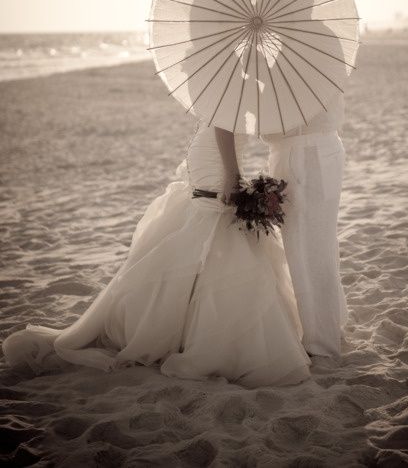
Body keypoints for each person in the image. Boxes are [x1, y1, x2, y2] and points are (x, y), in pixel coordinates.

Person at [2, 119, 312, 388]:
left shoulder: (224, 81)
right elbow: (223, 125)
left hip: (208, 153)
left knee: (210, 232)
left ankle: (183, 328)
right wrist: (233, 176)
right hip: (216, 157)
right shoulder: (232, 85)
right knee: (215, 224)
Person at [260, 91, 348, 358]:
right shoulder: (320, 56)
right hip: (325, 147)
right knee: (321, 243)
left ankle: (321, 342)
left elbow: (274, 119)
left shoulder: (284, 67)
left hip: (302, 154)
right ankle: (331, 325)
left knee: (305, 249)